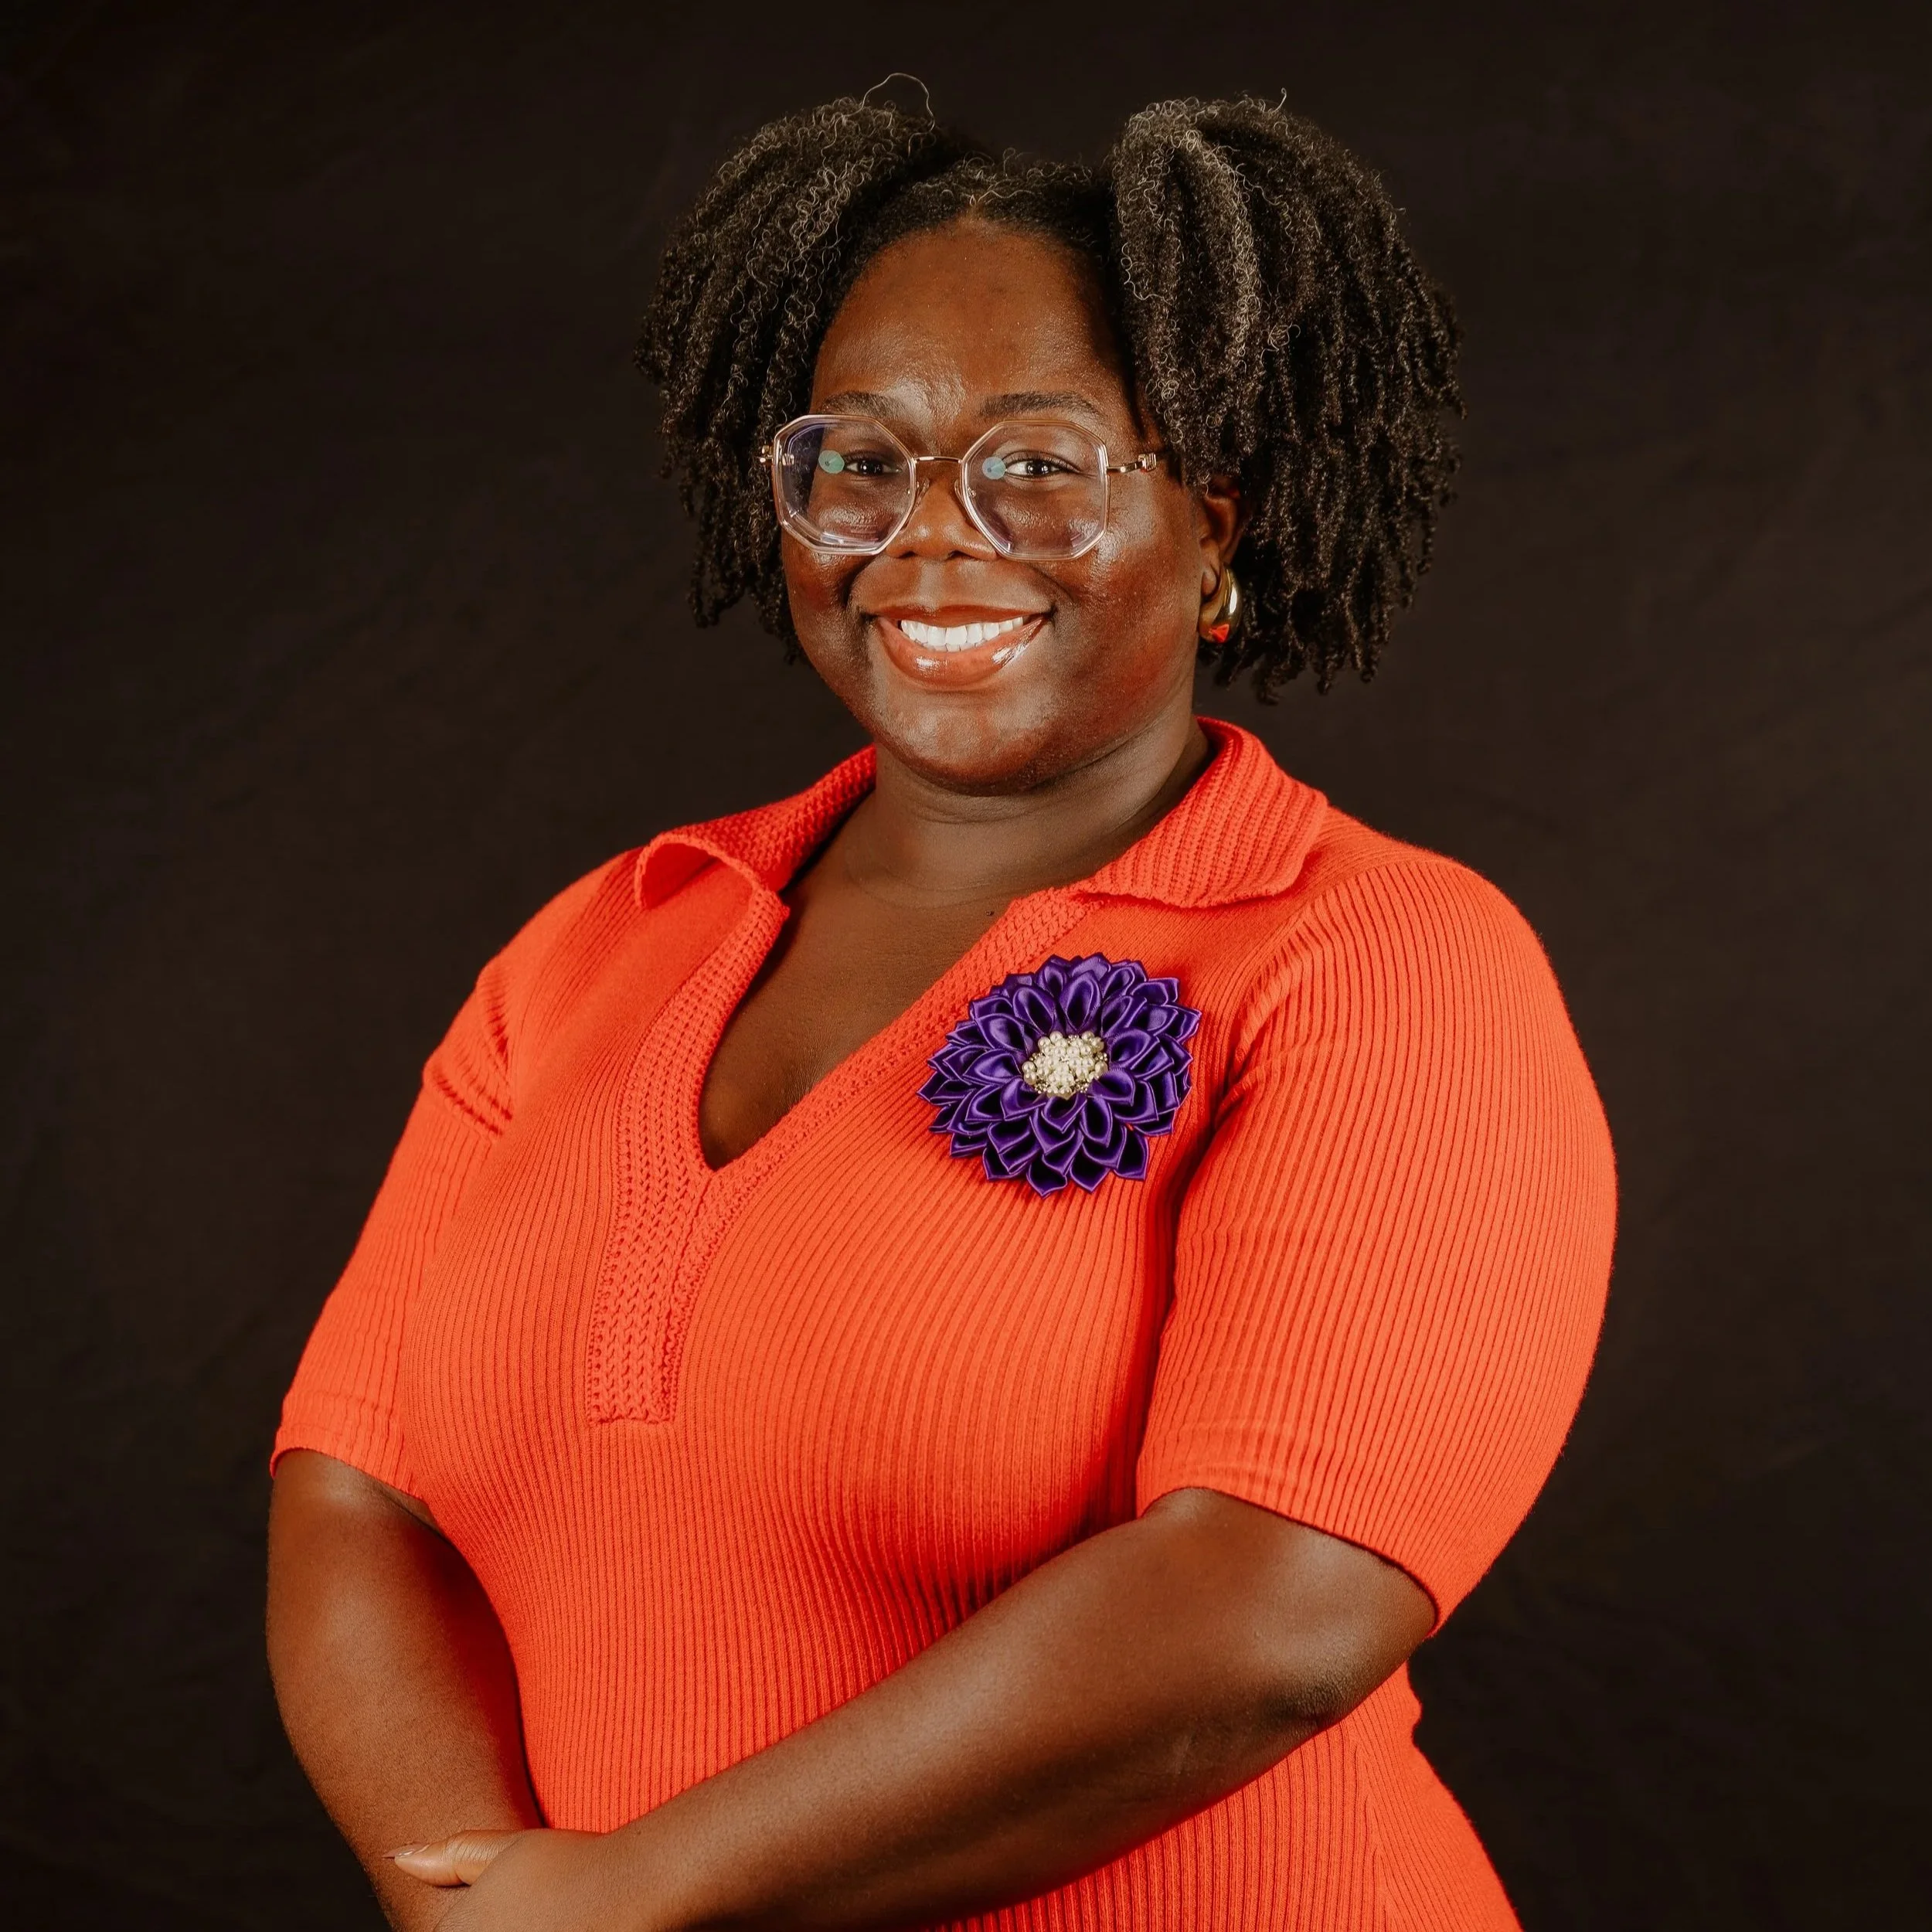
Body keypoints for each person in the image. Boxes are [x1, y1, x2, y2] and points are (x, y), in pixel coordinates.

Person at [267, 94, 1616, 1932]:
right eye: (859, 460)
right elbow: (356, 1493)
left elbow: (1279, 1605)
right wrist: (477, 1899)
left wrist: (635, 1896)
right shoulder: (599, 944)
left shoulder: (1378, 956)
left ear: (1211, 526)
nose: (927, 538)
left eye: (1036, 460)